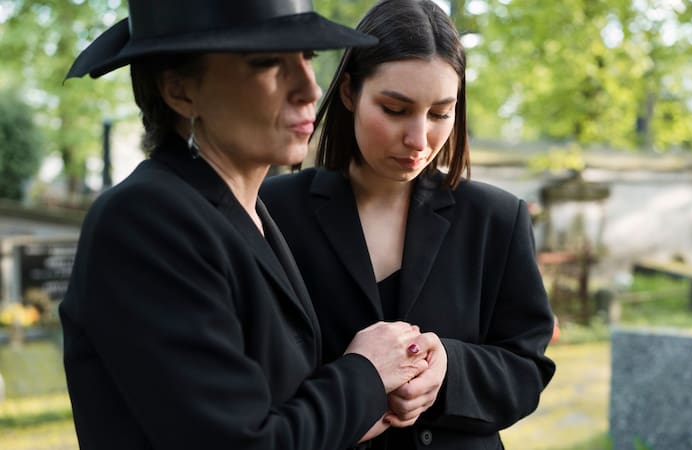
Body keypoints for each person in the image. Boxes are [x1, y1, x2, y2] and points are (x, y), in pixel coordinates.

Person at [59, 1, 441, 449]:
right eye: (267, 63)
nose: (309, 89)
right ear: (180, 91)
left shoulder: (250, 213)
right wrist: (366, 376)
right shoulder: (145, 221)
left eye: (307, 58)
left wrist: (381, 393)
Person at [260, 0, 557, 449]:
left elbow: (526, 369)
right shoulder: (273, 211)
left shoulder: (496, 218)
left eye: (440, 113)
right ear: (348, 93)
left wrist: (448, 371)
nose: (419, 140)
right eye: (395, 110)